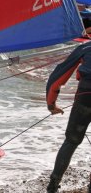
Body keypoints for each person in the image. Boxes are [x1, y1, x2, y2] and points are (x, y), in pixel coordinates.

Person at [46, 41, 91, 192]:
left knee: (71, 141)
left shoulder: (85, 47)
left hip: (85, 97)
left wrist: (51, 104)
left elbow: (58, 77)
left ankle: (53, 184)